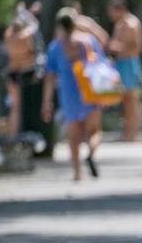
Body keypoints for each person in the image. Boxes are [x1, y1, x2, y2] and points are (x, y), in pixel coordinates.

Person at [41, 9, 104, 181]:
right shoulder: (89, 41)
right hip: (90, 89)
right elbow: (100, 60)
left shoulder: (55, 47)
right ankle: (90, 153)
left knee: (73, 134)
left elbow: (50, 76)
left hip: (69, 91)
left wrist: (47, 102)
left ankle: (77, 172)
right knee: (94, 131)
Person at [106, 0, 142, 141]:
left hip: (129, 62)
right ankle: (128, 131)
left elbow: (136, 45)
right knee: (125, 99)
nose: (110, 15)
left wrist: (114, 46)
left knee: (131, 98)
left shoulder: (131, 24)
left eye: (112, 11)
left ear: (119, 9)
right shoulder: (120, 24)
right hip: (121, 63)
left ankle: (134, 132)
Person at [3, 4, 41, 141]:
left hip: (12, 73)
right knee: (22, 107)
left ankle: (13, 136)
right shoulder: (25, 36)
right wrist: (27, 12)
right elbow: (34, 24)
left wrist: (22, 11)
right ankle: (19, 135)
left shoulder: (8, 36)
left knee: (14, 107)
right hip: (25, 74)